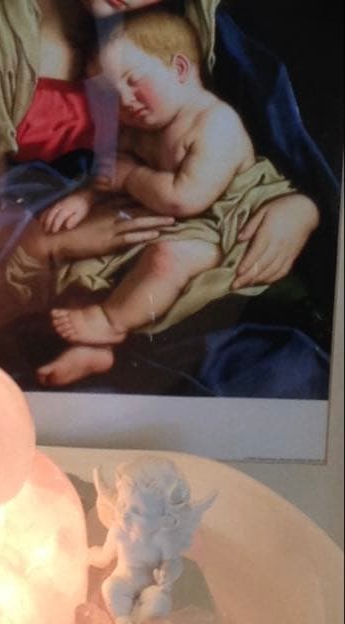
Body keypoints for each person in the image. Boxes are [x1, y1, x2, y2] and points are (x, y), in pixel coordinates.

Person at [0, 0, 328, 394]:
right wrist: (46, 241)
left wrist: (301, 208)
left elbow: (292, 162)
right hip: (15, 256)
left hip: (183, 246)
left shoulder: (195, 34)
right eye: (112, 94)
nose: (125, 104)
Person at [29, 9, 296, 385]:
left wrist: (131, 176)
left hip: (218, 227)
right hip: (156, 214)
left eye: (133, 81)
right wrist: (84, 200)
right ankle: (94, 348)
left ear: (180, 69)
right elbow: (108, 174)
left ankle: (111, 321)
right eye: (110, 93)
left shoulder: (215, 123)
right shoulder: (138, 125)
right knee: (82, 265)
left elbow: (185, 200)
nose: (125, 100)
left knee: (166, 260)